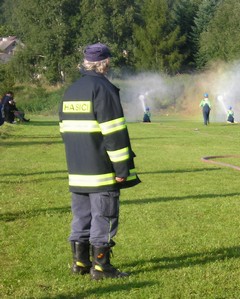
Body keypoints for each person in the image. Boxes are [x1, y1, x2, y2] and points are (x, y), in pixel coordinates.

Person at [59, 42, 141, 280]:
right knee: (104, 216)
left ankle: (80, 262)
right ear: (105, 63)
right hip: (100, 170)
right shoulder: (103, 89)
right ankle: (102, 267)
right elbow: (114, 133)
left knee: (81, 216)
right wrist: (122, 167)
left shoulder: (71, 90)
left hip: (77, 169)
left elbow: (64, 131)